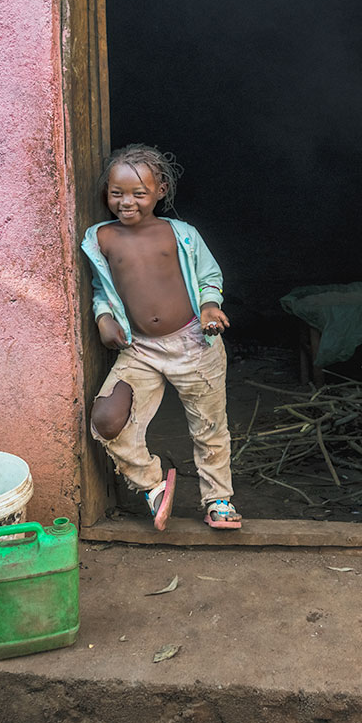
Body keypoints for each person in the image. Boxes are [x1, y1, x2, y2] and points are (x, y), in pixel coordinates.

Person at [80, 144, 241, 530]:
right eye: (116, 193)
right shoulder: (100, 238)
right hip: (140, 350)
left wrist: (209, 308)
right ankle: (152, 484)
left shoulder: (181, 234)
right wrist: (103, 318)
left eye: (139, 193)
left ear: (161, 190)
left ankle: (218, 498)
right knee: (106, 419)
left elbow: (208, 278)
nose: (126, 202)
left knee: (209, 428)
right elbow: (102, 289)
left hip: (193, 345)